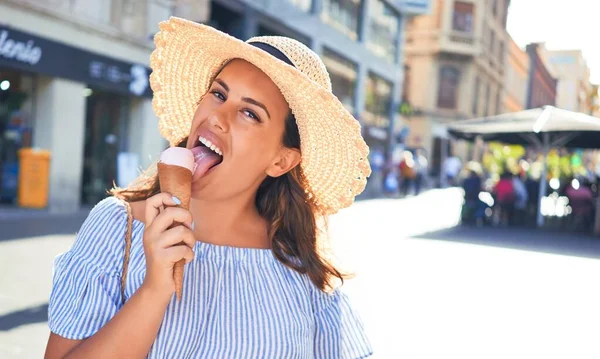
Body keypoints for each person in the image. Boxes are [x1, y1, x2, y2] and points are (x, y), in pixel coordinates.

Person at [45, 18, 373, 359]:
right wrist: (155, 288)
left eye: (250, 113)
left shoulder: (304, 275)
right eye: (218, 93)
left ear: (281, 161)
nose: (218, 116)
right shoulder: (118, 228)